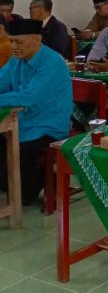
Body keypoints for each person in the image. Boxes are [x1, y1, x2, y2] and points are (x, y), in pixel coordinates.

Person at [0, 19, 72, 205]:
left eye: (19, 42)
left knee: (20, 187)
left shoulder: (52, 63)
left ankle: (31, 185)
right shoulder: (16, 60)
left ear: (37, 41)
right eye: (11, 41)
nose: (14, 47)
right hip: (21, 123)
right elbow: (2, 83)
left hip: (47, 128)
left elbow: (27, 97)